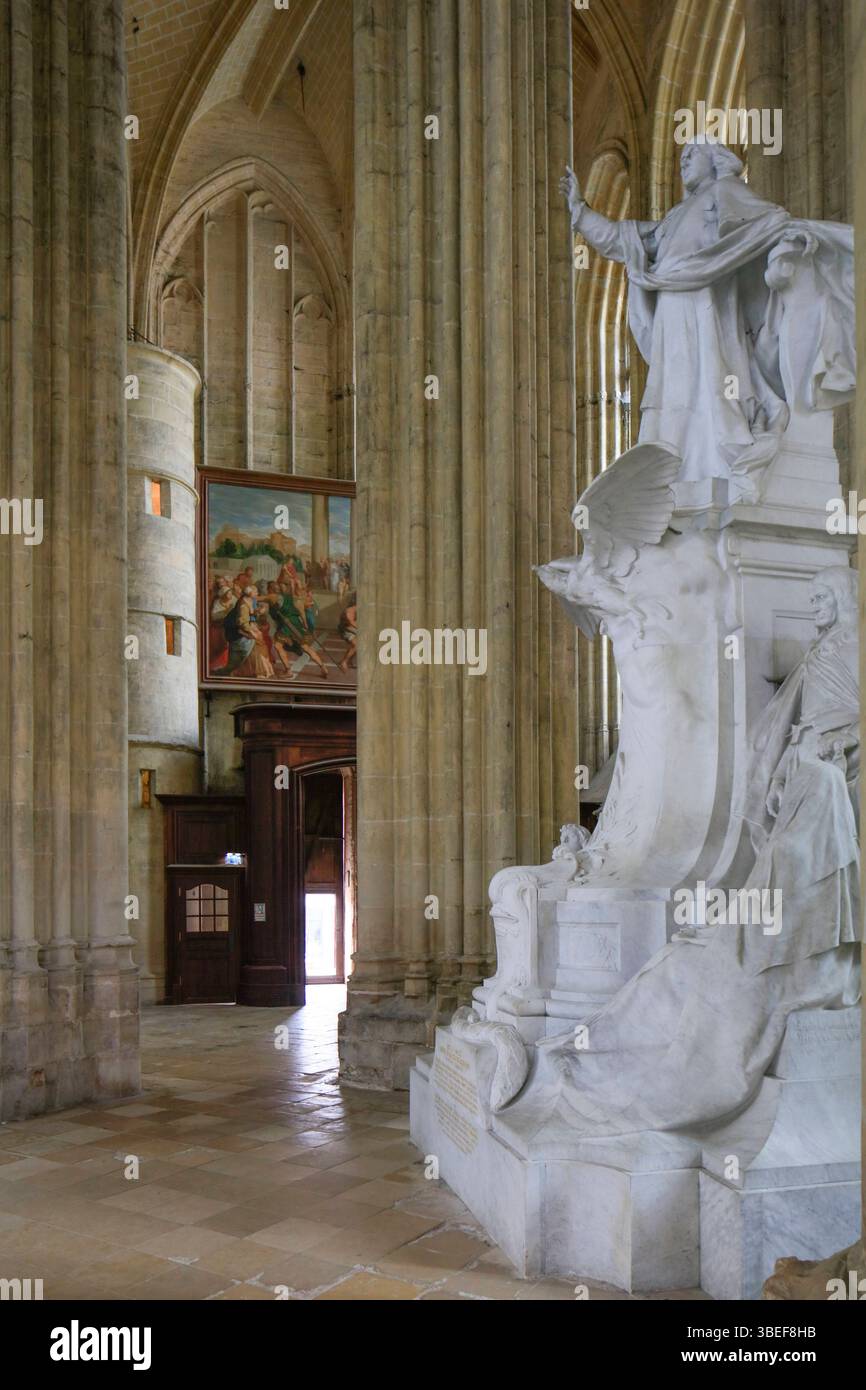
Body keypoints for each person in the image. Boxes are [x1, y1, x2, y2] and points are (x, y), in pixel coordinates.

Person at [541, 567, 859, 1142]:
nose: (813, 604)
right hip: (757, 926)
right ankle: (599, 1051)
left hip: (774, 949)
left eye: (822, 597)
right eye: (809, 595)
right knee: (679, 972)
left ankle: (622, 1067)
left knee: (704, 985)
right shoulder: (811, 771)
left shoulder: (830, 791)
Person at [560, 140, 854, 496]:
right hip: (671, 302)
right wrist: (580, 211)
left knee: (710, 377)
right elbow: (623, 240)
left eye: (692, 153)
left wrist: (795, 236)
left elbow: (769, 222)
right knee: (673, 386)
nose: (683, 159)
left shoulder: (725, 191)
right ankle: (671, 462)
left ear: (715, 161)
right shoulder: (673, 217)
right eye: (681, 155)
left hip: (706, 300)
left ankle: (716, 458)